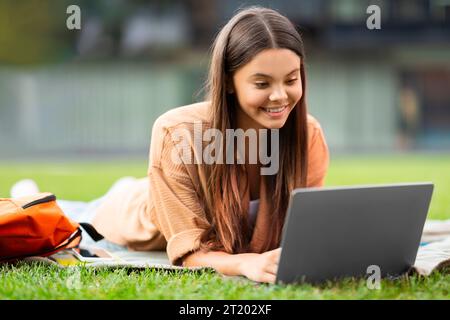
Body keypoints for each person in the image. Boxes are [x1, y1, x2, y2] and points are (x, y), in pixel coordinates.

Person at [10, 7, 329, 284]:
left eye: (290, 80)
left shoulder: (308, 136)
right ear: (230, 82)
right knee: (56, 217)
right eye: (262, 83)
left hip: (150, 190)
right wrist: (245, 263)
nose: (279, 96)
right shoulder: (178, 133)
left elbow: (300, 234)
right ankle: (27, 194)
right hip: (133, 214)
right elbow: (191, 253)